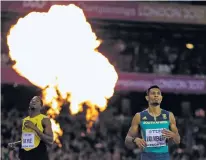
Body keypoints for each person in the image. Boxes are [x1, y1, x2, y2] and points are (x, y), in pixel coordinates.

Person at [125, 85, 180, 160]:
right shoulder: (139, 116)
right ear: (147, 98)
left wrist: (174, 135)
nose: (156, 95)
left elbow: (178, 141)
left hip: (164, 156)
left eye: (158, 93)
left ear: (161, 98)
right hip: (147, 156)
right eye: (153, 93)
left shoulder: (169, 115)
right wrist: (135, 140)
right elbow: (127, 138)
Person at [8, 96, 54, 160]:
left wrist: (34, 128)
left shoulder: (44, 119)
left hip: (39, 156)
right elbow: (29, 140)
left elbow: (50, 141)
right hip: (25, 156)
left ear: (40, 106)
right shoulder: (24, 120)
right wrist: (15, 144)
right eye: (32, 100)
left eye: (36, 101)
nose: (34, 101)